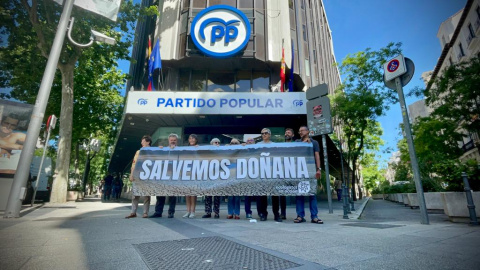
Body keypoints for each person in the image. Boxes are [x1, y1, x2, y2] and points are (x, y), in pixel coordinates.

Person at [294, 126, 323, 224]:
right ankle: (300, 216)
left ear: (307, 131)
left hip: (311, 170)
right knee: (299, 194)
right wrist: (303, 144)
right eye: (299, 131)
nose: (300, 132)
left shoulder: (314, 143)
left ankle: (314, 216)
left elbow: (317, 155)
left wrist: (318, 169)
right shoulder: (297, 142)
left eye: (302, 130)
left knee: (312, 194)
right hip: (300, 170)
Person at [256, 128, 282, 221]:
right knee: (262, 195)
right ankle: (263, 214)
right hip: (262, 173)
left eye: (266, 133)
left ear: (270, 134)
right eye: (262, 133)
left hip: (273, 172)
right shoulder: (257, 145)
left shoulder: (274, 145)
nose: (264, 135)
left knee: (275, 195)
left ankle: (276, 214)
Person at [151, 133, 179, 218]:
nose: (173, 142)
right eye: (171, 140)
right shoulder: (163, 149)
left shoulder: (180, 150)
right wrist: (159, 150)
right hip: (163, 175)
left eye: (174, 140)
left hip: (174, 175)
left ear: (176, 141)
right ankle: (158, 212)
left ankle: (171, 212)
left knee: (172, 195)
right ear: (168, 141)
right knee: (160, 194)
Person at [125, 135, 152, 218]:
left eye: (143, 141)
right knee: (135, 194)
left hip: (148, 175)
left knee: (147, 195)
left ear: (148, 142)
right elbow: (134, 163)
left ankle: (145, 212)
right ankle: (133, 212)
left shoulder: (153, 151)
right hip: (137, 175)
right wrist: (131, 174)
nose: (141, 143)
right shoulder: (138, 152)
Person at [202, 138, 221, 219]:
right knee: (208, 195)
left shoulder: (222, 152)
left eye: (218, 142)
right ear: (211, 144)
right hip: (209, 176)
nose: (217, 143)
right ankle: (208, 212)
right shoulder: (207, 152)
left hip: (218, 177)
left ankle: (216, 212)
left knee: (217, 196)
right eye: (215, 142)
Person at [183, 134, 199, 219]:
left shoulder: (199, 148)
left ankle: (193, 211)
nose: (191, 139)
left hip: (195, 172)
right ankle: (188, 211)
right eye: (190, 138)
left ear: (196, 140)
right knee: (187, 193)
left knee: (193, 193)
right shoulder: (186, 148)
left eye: (193, 138)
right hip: (187, 172)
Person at [227, 138, 241, 219]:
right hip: (229, 176)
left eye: (236, 143)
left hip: (238, 176)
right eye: (232, 143)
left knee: (237, 197)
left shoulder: (241, 151)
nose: (234, 144)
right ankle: (230, 212)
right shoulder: (227, 151)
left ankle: (237, 213)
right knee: (230, 196)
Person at [243, 137, 255, 219]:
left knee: (259, 196)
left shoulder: (258, 149)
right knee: (247, 196)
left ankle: (261, 212)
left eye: (251, 141)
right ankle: (248, 212)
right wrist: (241, 147)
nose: (250, 142)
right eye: (248, 141)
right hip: (247, 177)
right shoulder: (244, 151)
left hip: (257, 176)